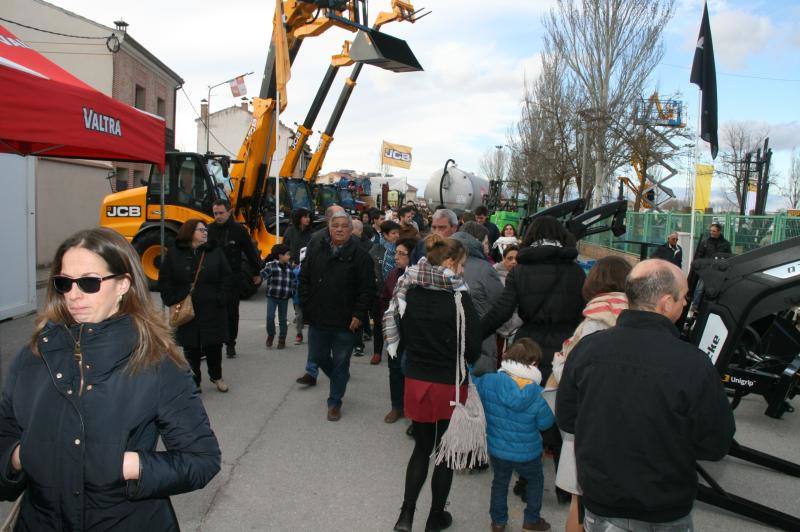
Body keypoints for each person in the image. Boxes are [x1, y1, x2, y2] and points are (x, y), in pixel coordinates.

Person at [0, 227, 220, 530]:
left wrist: (126, 465)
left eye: (89, 282)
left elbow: (202, 459)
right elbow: (5, 434)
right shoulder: (33, 355)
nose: (73, 295)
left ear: (123, 285)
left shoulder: (157, 362)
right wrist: (20, 457)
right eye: (65, 283)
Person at [556, 259, 736, 531]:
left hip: (602, 500)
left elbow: (568, 418)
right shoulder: (694, 364)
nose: (686, 303)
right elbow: (716, 443)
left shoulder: (587, 349)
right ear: (665, 303)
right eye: (684, 297)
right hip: (664, 507)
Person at [481, 215, 585, 504]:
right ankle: (566, 486)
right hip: (567, 349)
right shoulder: (576, 271)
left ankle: (527, 482)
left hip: (530, 350)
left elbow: (502, 311)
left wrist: (475, 333)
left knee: (528, 415)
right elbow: (584, 310)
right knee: (562, 416)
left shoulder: (521, 270)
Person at [386, 234, 482, 532]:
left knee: (421, 448)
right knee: (445, 453)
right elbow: (473, 348)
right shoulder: (458, 296)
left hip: (416, 377)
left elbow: (400, 331)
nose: (464, 270)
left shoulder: (409, 289)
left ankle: (406, 514)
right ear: (451, 262)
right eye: (462, 264)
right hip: (449, 383)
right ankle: (435, 517)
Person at [547, 256, 631, 532]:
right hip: (620, 418)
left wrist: (558, 361)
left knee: (580, 503)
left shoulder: (595, 321)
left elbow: (573, 372)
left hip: (587, 420)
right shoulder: (632, 317)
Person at [300, 211, 375, 421]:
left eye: (344, 226)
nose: (340, 229)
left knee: (341, 362)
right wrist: (306, 306)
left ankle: (334, 402)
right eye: (336, 226)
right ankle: (339, 378)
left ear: (351, 230)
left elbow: (367, 289)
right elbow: (304, 279)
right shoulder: (317, 250)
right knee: (317, 356)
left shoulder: (361, 256)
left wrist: (359, 314)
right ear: (329, 228)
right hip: (319, 317)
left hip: (346, 321)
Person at [473, 339, 555, 532]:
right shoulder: (538, 393)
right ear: (534, 364)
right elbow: (545, 423)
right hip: (528, 452)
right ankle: (531, 520)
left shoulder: (489, 381)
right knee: (535, 481)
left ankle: (498, 522)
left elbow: (472, 386)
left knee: (500, 482)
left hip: (497, 449)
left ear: (507, 356)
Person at [160, 219, 233, 393]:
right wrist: (172, 298)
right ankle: (195, 380)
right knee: (191, 347)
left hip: (212, 308)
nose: (205, 232)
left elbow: (227, 276)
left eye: (206, 230)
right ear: (190, 231)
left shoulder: (214, 251)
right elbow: (165, 279)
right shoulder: (174, 253)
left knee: (214, 345)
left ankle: (216, 376)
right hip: (186, 308)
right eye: (201, 230)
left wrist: (221, 297)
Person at [295, 205, 347, 386]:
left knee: (337, 344)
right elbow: (306, 270)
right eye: (338, 217)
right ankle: (312, 371)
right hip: (319, 299)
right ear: (328, 220)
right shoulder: (317, 238)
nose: (341, 223)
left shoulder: (349, 239)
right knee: (317, 341)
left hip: (341, 302)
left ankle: (339, 373)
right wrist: (306, 300)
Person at [208, 198, 263, 359]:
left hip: (233, 277)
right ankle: (214, 342)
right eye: (215, 213)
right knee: (213, 312)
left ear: (229, 211)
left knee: (232, 312)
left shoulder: (238, 230)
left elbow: (250, 252)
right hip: (213, 278)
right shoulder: (209, 229)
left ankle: (231, 342)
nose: (218, 216)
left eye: (221, 213)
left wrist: (256, 272)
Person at [452, 222, 504, 376]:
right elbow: (501, 304)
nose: (487, 247)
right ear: (476, 241)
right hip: (480, 341)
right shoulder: (485, 269)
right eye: (486, 242)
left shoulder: (445, 260)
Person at [380, 237, 417, 424]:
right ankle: (396, 406)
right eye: (396, 253)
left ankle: (412, 410)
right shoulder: (393, 274)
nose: (396, 257)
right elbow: (385, 298)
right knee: (394, 369)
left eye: (401, 254)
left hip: (413, 332)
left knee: (411, 371)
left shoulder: (419, 277)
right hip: (395, 330)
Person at [367, 220, 401, 363]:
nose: (396, 236)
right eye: (393, 233)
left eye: (398, 233)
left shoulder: (400, 249)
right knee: (379, 323)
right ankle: (377, 352)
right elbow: (370, 269)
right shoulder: (375, 249)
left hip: (397, 293)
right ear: (385, 234)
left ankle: (394, 350)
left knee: (396, 323)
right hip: (379, 293)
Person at [260, 244, 294, 349]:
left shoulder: (290, 268)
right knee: (270, 317)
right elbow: (263, 274)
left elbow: (293, 281)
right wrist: (258, 278)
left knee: (283, 319)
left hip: (284, 297)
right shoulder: (271, 265)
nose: (289, 257)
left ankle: (282, 339)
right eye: (287, 255)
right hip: (272, 296)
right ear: (280, 255)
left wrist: (293, 291)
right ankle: (271, 334)